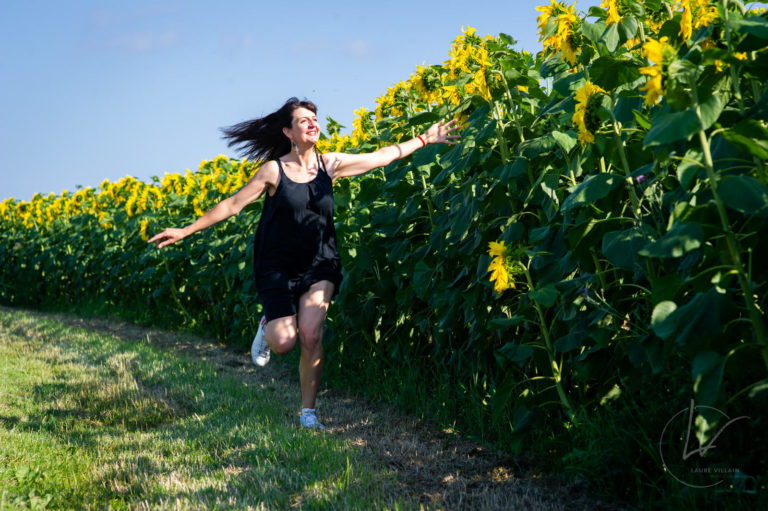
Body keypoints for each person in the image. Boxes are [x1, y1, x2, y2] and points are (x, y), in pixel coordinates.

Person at [148, 97, 460, 430]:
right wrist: (186, 230)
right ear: (288, 132)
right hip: (276, 265)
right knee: (284, 343)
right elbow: (232, 205)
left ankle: (308, 414)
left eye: (314, 118)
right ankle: (268, 323)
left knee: (311, 335)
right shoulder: (274, 170)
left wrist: (425, 138)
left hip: (320, 263)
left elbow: (383, 156)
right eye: (303, 120)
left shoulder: (330, 165)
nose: (313, 124)